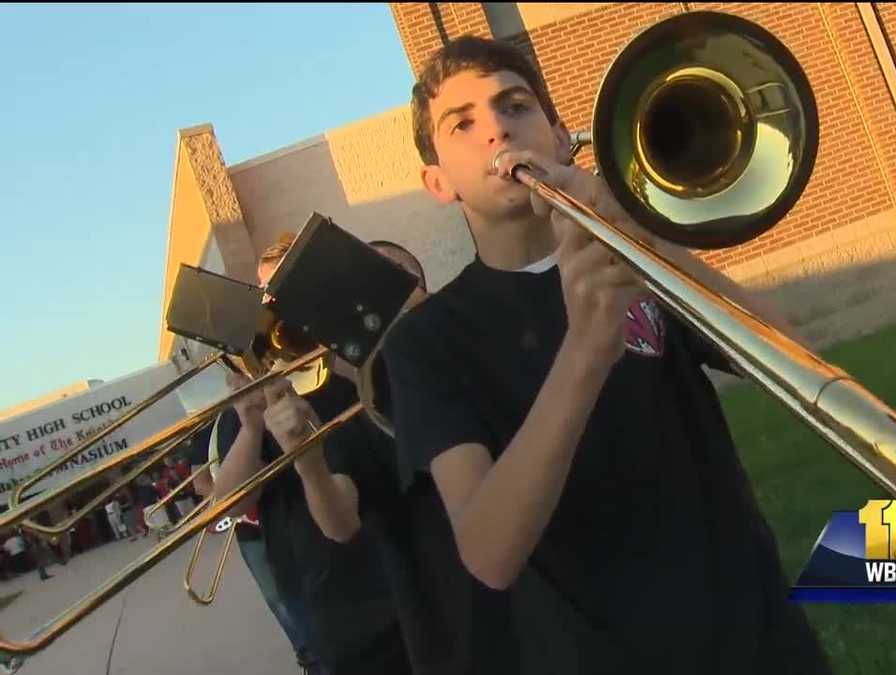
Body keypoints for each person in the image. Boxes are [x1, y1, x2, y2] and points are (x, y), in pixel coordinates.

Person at [380, 36, 831, 674]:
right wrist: (586, 350)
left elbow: (802, 362)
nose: (496, 131)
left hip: (759, 638)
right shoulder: (427, 342)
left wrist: (643, 234)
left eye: (515, 106)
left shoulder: (638, 261)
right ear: (438, 182)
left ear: (562, 138)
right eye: (463, 123)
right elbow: (488, 551)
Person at [209, 234, 414, 675]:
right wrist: (249, 426)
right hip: (334, 609)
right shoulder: (257, 392)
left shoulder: (365, 375)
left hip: (407, 583)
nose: (279, 309)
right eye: (269, 297)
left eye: (289, 292)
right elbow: (225, 509)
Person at [185, 418, 324, 675]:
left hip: (299, 513)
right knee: (280, 599)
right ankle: (309, 658)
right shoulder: (211, 428)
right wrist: (240, 476)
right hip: (253, 525)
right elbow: (201, 483)